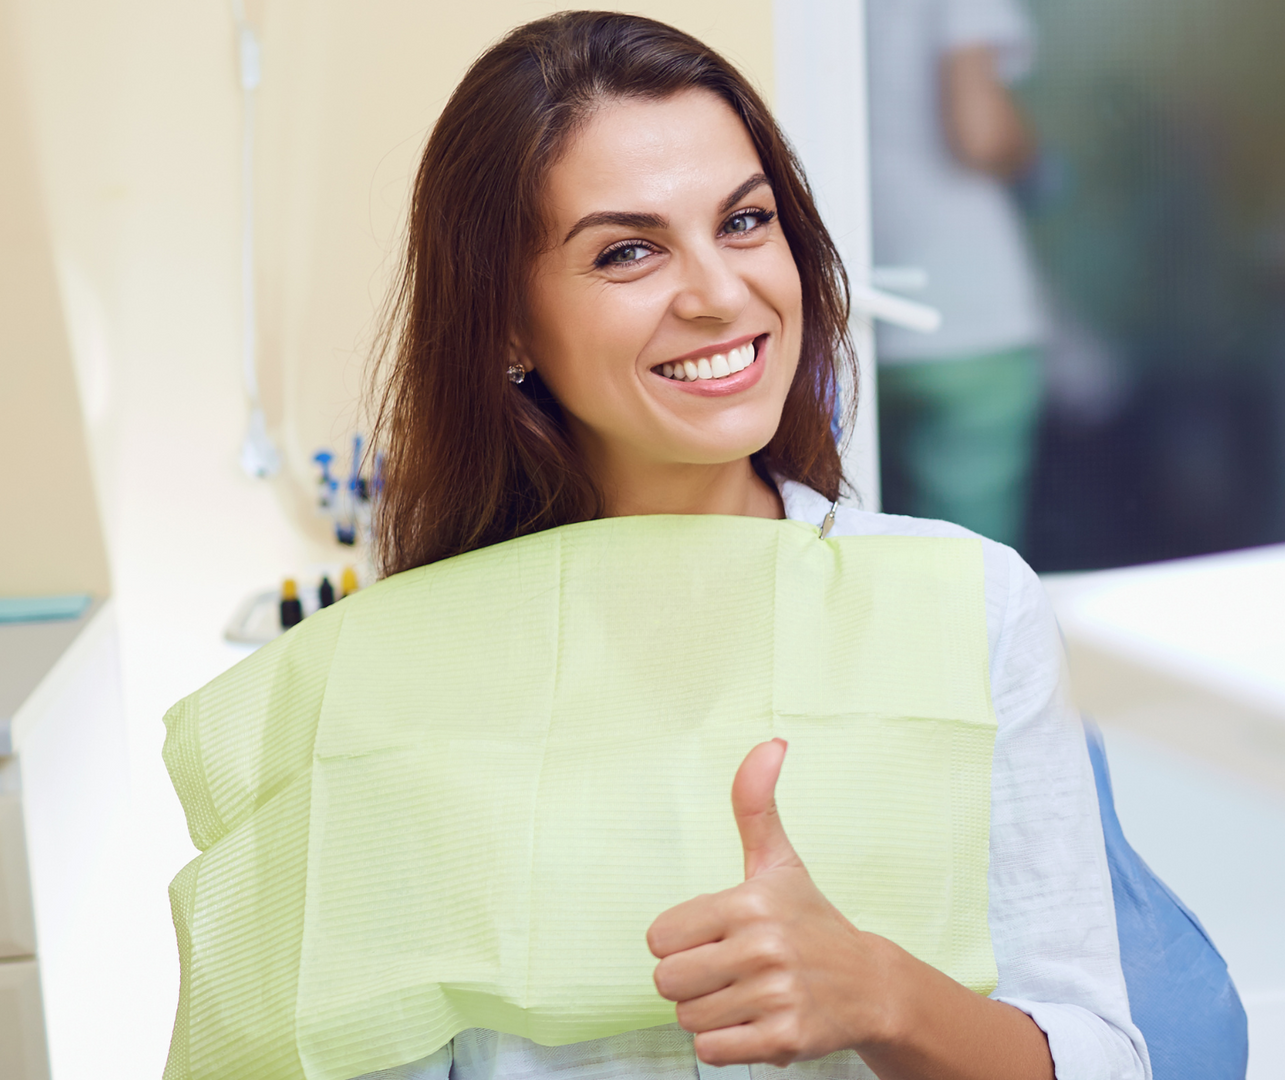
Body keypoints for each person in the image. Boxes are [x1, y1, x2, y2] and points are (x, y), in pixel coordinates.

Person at [246, 13, 1142, 1080]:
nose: (720, 293)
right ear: (506, 324)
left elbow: (1101, 1058)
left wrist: (880, 993)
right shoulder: (385, 687)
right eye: (628, 250)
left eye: (747, 221)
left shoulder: (972, 606)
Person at [868, 0, 1048, 549]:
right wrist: (1034, 157)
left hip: (858, 303)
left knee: (878, 547)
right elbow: (980, 133)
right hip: (968, 317)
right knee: (974, 573)